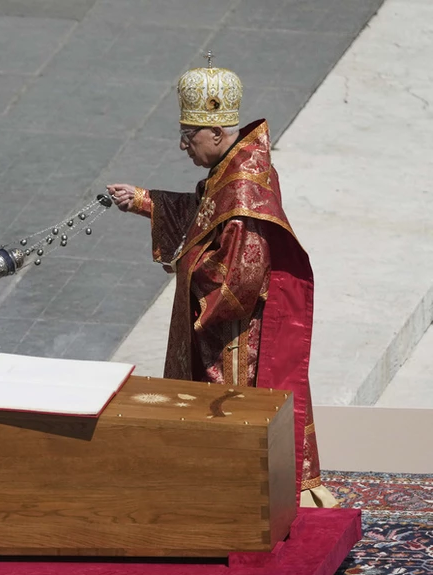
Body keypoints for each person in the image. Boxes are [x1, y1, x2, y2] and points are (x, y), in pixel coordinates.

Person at [106, 54, 336, 508]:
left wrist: (188, 267)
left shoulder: (244, 188)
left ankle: (240, 500)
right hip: (226, 327)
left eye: (188, 136)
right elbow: (205, 213)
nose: (182, 146)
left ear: (215, 132)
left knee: (229, 414)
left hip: (234, 340)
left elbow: (238, 277)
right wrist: (145, 201)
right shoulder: (234, 165)